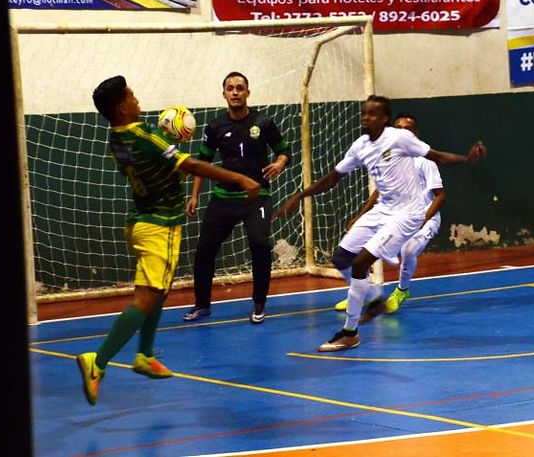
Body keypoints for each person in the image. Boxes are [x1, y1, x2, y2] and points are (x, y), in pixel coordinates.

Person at [78, 75, 261, 406]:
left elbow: (158, 165)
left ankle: (145, 355)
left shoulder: (117, 137)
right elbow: (190, 164)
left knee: (159, 290)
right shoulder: (143, 135)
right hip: (157, 226)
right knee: (145, 299)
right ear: (122, 108)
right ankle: (98, 361)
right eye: (132, 97)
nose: (137, 100)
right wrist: (239, 178)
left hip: (142, 221)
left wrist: (170, 159)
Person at [274, 95, 486, 352]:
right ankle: (375, 299)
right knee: (341, 257)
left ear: (385, 118)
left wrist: (467, 159)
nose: (365, 118)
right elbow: (333, 178)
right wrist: (300, 196)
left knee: (360, 263)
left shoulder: (399, 138)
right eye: (364, 113)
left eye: (372, 114)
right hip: (382, 210)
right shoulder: (361, 146)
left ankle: (349, 333)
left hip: (407, 214)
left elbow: (437, 156)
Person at [181, 71, 291, 324]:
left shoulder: (264, 123)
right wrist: (194, 196)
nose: (235, 92)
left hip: (257, 196)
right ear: (224, 94)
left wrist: (279, 163)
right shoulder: (215, 127)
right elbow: (202, 163)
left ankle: (259, 303)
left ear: (247, 93)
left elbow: (285, 151)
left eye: (240, 88)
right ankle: (202, 305)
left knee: (259, 244)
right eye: (230, 88)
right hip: (224, 198)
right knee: (204, 250)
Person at [333, 113, 444, 315]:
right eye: (398, 128)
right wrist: (361, 216)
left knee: (408, 250)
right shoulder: (391, 157)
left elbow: (440, 196)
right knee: (360, 250)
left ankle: (402, 290)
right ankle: (364, 293)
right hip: (395, 214)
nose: (402, 132)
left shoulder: (425, 160)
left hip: (425, 217)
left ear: (416, 133)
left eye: (407, 129)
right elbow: (379, 192)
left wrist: (423, 220)